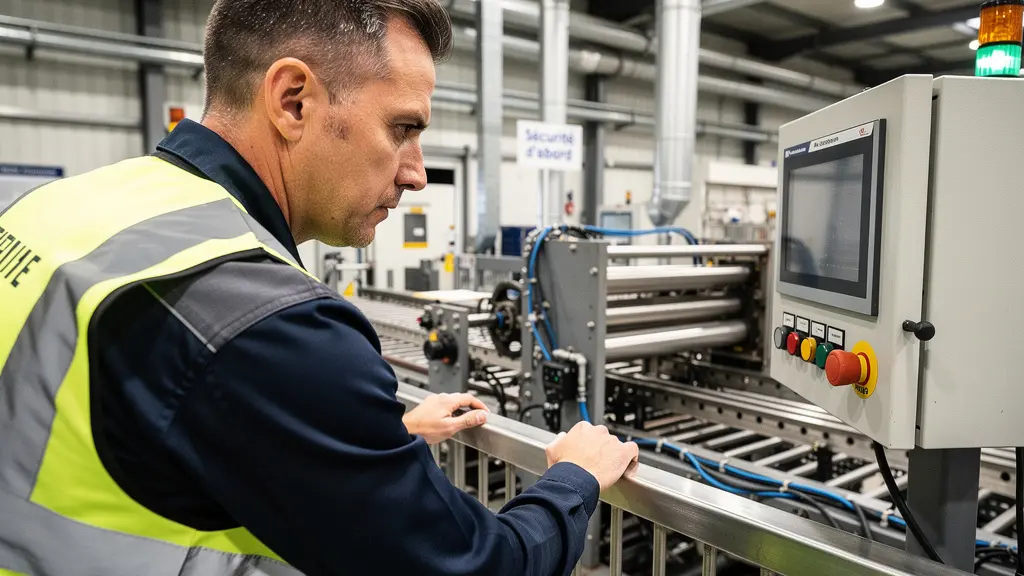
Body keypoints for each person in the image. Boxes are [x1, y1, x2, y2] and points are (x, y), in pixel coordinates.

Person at [0, 1, 640, 575]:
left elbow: (122, 421)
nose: (417, 174)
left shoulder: (57, 207)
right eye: (403, 128)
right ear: (293, 101)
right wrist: (573, 479)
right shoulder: (268, 322)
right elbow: (475, 567)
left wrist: (371, 438)